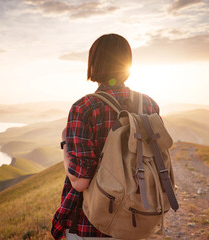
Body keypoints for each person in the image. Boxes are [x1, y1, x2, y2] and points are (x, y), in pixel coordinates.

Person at [51, 33, 160, 240]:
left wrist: (66, 145)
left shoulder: (84, 107)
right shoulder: (149, 104)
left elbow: (80, 182)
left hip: (92, 223)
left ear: (93, 64)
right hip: (138, 218)